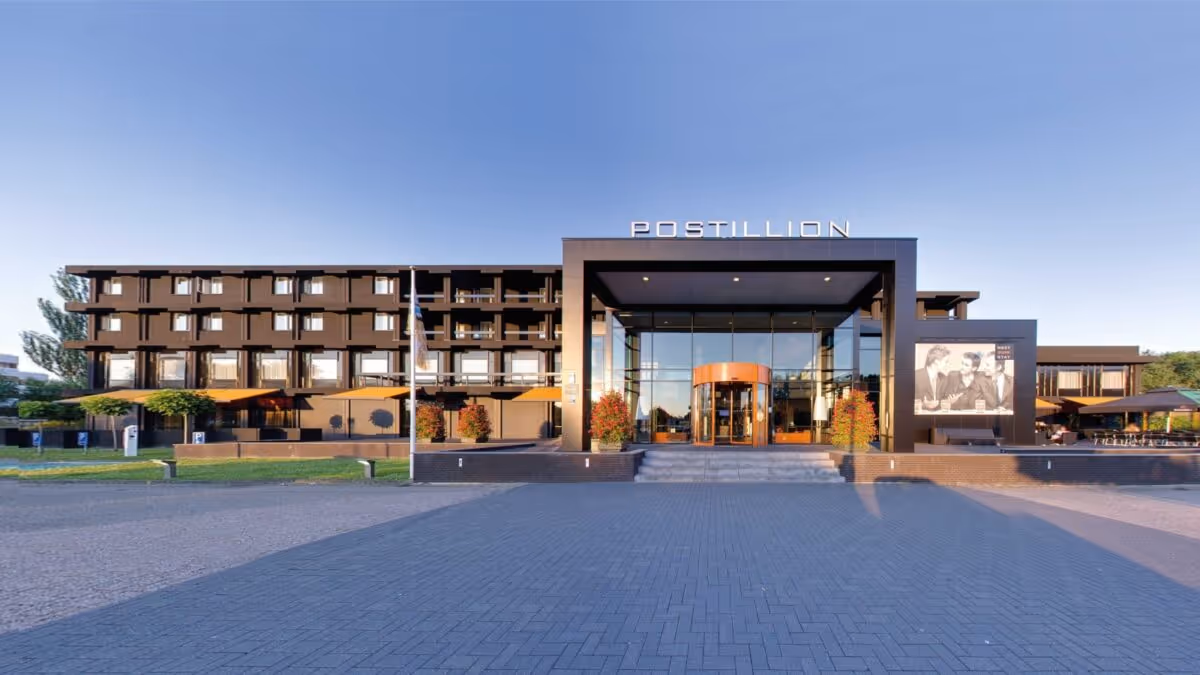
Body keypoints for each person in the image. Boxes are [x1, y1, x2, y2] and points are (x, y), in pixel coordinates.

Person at [915, 345, 951, 411]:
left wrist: (949, 401)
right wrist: (923, 404)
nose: (948, 364)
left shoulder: (944, 378)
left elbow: (943, 402)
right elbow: (904, 402)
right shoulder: (916, 376)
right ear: (936, 361)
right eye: (946, 361)